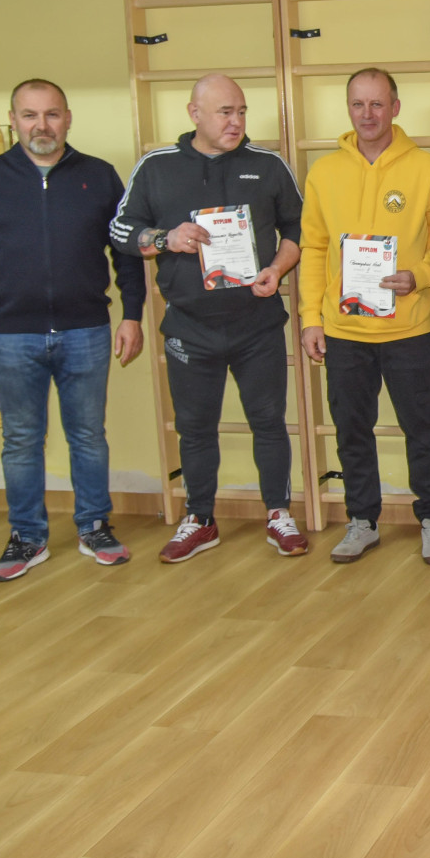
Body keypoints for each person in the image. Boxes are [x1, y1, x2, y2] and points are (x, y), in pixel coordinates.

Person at [0, 79, 147, 581]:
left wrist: (132, 314)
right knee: (20, 440)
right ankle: (27, 536)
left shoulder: (98, 175)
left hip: (86, 331)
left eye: (52, 114)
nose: (42, 125)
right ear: (13, 120)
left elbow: (126, 252)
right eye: (30, 115)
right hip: (10, 336)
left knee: (89, 436)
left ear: (68, 119)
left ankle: (94, 526)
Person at [110, 73, 305, 562]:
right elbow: (120, 230)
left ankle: (278, 513)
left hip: (256, 322)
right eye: (224, 112)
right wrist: (165, 239)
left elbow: (299, 228)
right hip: (189, 326)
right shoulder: (157, 167)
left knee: (268, 422)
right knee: (195, 427)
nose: (236, 121)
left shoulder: (268, 165)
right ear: (194, 114)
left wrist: (277, 269)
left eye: (241, 111)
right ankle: (200, 518)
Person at [299, 68, 430, 565]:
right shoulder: (323, 173)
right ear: (348, 108)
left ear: (395, 108)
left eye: (377, 104)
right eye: (358, 104)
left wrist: (420, 276)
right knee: (351, 430)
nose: (367, 114)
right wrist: (310, 317)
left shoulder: (427, 169)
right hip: (343, 330)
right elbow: (313, 248)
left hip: (408, 327)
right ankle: (361, 521)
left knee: (421, 427)